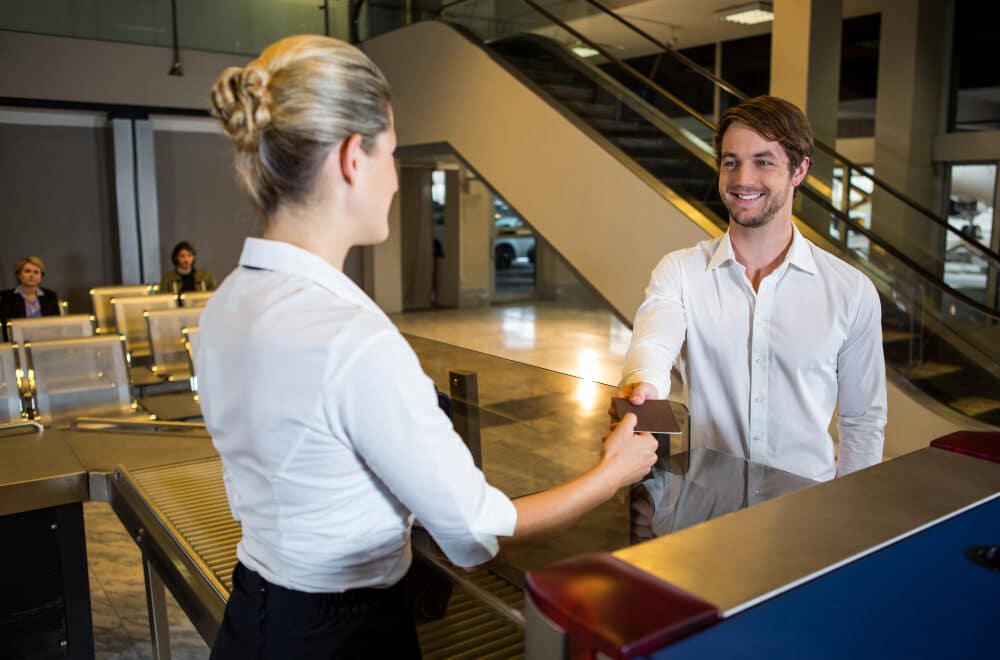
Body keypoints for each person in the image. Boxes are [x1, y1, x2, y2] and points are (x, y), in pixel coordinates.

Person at [201, 35, 658, 660]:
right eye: (391, 151)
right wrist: (613, 473)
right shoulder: (350, 338)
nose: (394, 177)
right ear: (350, 159)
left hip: (254, 612)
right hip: (344, 634)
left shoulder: (228, 300)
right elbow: (476, 526)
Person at [614, 96, 886, 482]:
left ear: (799, 170)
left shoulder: (850, 291)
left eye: (763, 162)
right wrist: (644, 383)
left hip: (806, 508)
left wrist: (850, 514)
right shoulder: (680, 271)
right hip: (706, 509)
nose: (743, 179)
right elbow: (653, 346)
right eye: (731, 162)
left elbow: (863, 420)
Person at [0, 256, 61, 341]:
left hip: (46, 341)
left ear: (41, 276)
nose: (32, 275)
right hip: (18, 342)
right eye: (27, 271)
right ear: (19, 275)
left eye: (36, 272)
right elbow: (7, 327)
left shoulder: (50, 296)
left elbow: (56, 325)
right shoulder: (6, 297)